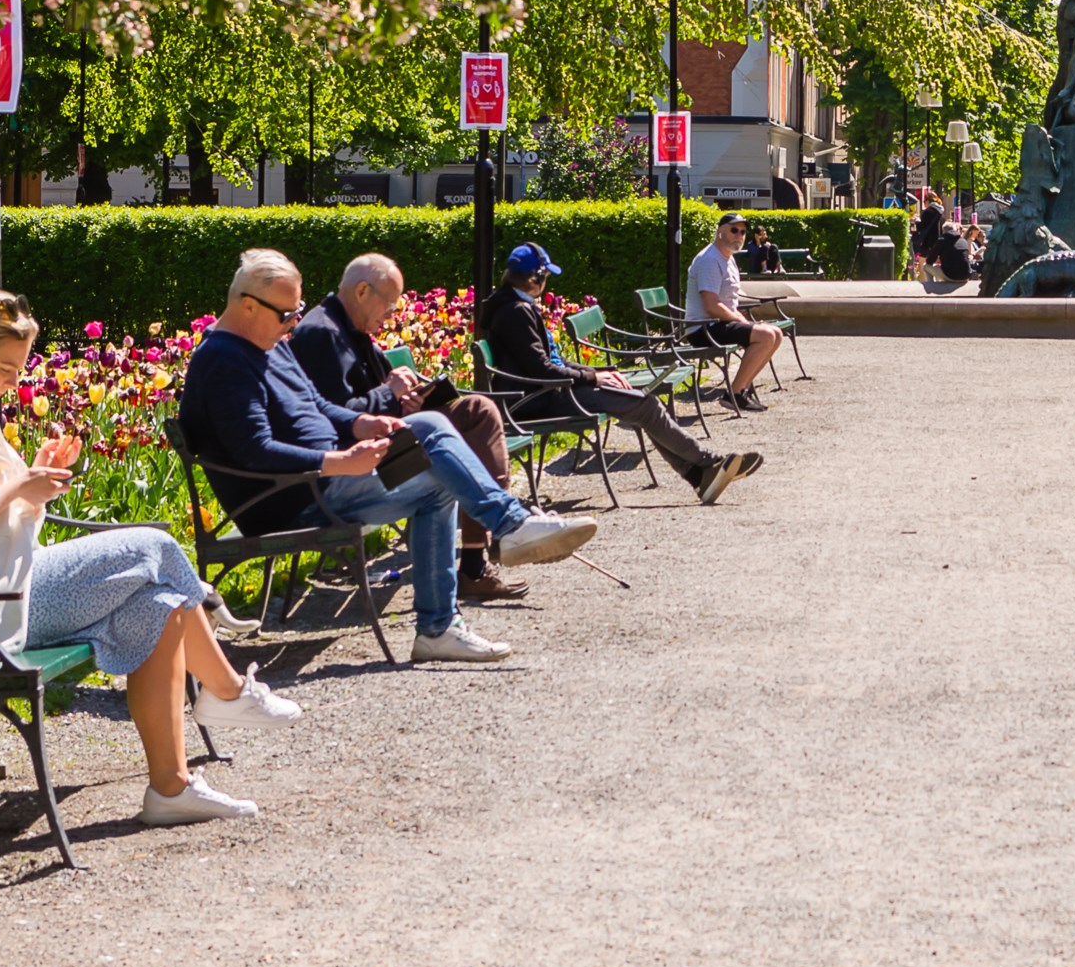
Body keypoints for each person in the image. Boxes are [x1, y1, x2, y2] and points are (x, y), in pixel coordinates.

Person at [0, 288, 302, 826]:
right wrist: (18, 485)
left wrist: (32, 480)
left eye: (18, 370)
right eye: (5, 368)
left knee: (162, 605)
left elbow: (5, 520)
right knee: (153, 545)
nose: (13, 382)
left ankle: (171, 790)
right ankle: (228, 690)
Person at [183, 249, 601, 664]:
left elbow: (317, 405)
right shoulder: (223, 361)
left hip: (322, 479)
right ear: (248, 305)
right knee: (437, 485)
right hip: (288, 498)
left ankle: (506, 532)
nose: (293, 322)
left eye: (298, 310)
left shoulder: (267, 343)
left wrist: (361, 423)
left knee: (430, 425)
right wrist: (339, 462)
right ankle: (449, 612)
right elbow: (254, 451)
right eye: (286, 314)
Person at [289, 254, 533, 604]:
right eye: (389, 305)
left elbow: (372, 397)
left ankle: (485, 548)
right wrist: (390, 394)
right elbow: (331, 419)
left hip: (385, 433)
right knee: (448, 440)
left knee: (478, 410)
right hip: (357, 459)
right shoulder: (321, 334)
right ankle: (496, 540)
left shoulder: (352, 328)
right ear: (362, 291)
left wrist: (407, 399)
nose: (391, 316)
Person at [477, 242, 760, 502]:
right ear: (534, 278)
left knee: (643, 405)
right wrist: (593, 377)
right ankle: (706, 466)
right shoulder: (515, 312)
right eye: (546, 276)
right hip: (540, 399)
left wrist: (597, 371)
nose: (547, 281)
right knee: (646, 406)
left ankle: (701, 474)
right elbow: (542, 369)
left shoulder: (515, 306)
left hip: (551, 391)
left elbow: (554, 361)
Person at [686, 212, 788, 410]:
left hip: (718, 324)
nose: (739, 235)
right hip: (702, 329)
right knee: (766, 335)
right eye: (734, 230)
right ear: (720, 232)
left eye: (742, 232)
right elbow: (711, 305)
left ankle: (742, 390)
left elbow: (729, 301)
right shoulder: (709, 260)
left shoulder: (728, 258)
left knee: (776, 334)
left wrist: (743, 321)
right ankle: (735, 394)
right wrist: (741, 321)